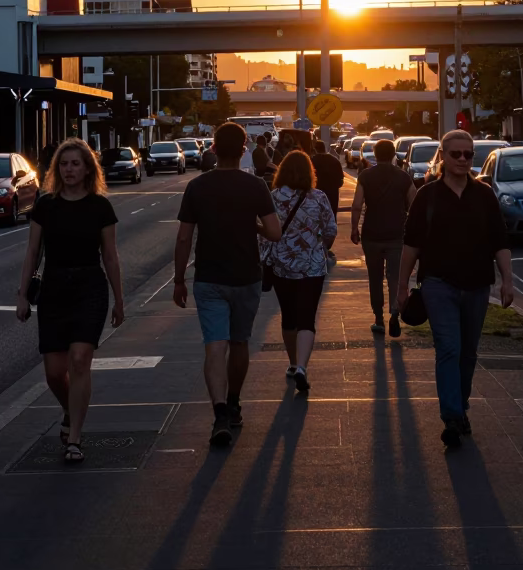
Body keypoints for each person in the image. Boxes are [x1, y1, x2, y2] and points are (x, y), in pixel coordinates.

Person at [397, 129, 514, 449]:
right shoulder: (427, 196)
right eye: (456, 154)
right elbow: (412, 244)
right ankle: (450, 416)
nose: (463, 159)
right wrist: (402, 286)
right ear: (443, 158)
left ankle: (460, 407)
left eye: (468, 154)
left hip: (477, 286)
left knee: (468, 352)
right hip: (438, 284)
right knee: (448, 348)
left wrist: (508, 278)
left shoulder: (484, 195)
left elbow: (499, 240)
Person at [173, 121, 282, 447]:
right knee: (239, 343)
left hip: (209, 278)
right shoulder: (256, 187)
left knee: (214, 346)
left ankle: (219, 412)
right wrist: (256, 228)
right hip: (246, 276)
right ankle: (233, 402)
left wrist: (179, 280)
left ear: (214, 149)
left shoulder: (197, 186)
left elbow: (183, 238)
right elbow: (275, 232)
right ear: (244, 149)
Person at [15, 139, 124, 464]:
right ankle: (69, 408)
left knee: (79, 360)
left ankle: (74, 437)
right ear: (57, 169)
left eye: (76, 163)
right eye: (64, 164)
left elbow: (111, 256)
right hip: (54, 289)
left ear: (88, 168)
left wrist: (120, 300)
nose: (70, 169)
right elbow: (33, 252)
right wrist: (22, 296)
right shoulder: (45, 205)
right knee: (53, 372)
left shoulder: (100, 206)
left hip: (90, 287)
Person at [260, 149, 337, 394]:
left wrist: (265, 257)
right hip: (312, 267)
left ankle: (293, 364)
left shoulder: (273, 197)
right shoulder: (319, 197)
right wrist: (322, 248)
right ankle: (303, 367)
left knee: (288, 316)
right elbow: (331, 229)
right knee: (307, 318)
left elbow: (263, 232)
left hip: (282, 266)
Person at [351, 138, 416, 337]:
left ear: (375, 154)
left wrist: (354, 228)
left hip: (372, 234)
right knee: (395, 276)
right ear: (393, 154)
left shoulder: (365, 175)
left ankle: (378, 318)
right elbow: (414, 203)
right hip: (397, 234)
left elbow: (356, 204)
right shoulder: (403, 177)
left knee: (375, 276)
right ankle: (395, 313)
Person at [311, 139, 345, 218]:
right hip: (332, 195)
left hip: (315, 196)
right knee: (332, 217)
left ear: (315, 149)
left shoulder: (311, 161)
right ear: (324, 148)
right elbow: (341, 181)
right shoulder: (335, 161)